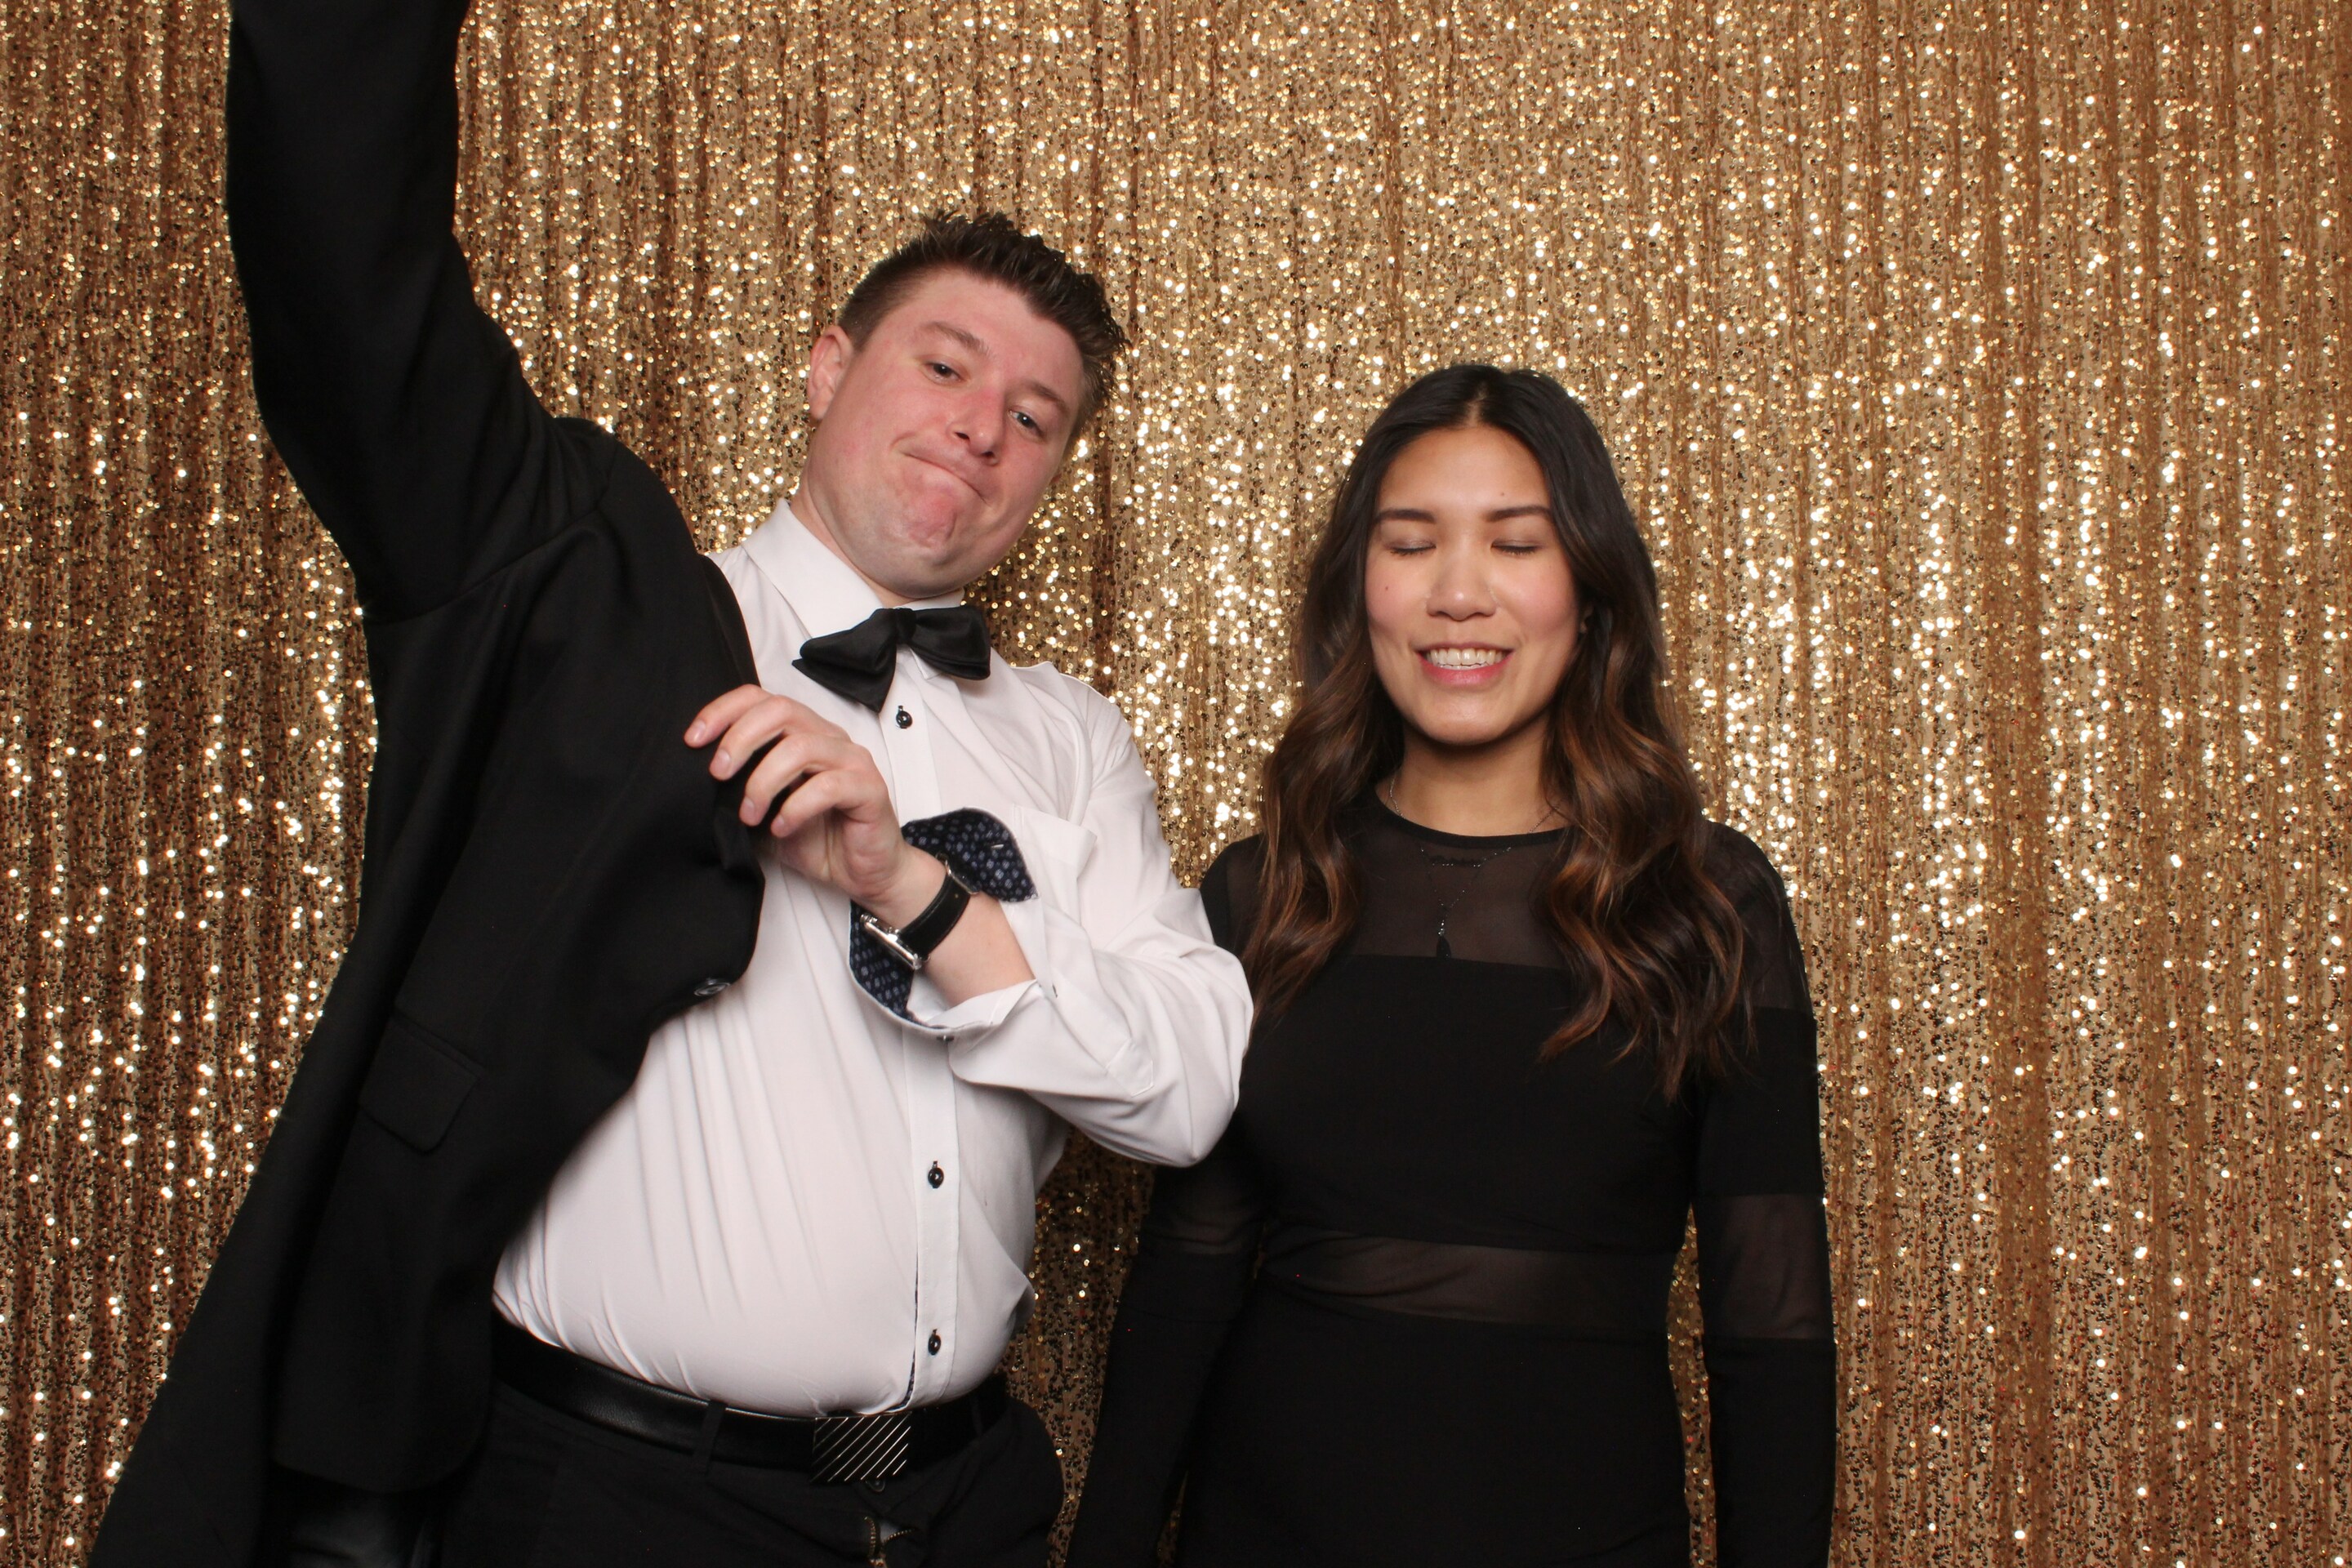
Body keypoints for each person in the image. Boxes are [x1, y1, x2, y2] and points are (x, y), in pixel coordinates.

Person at [91, 0, 1251, 1564]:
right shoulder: (589, 612)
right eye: (944, 364)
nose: (980, 427)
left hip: (966, 1506)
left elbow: (1187, 1093)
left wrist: (910, 884)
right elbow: (358, 294)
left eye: (1033, 418)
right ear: (829, 365)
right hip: (619, 1504)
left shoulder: (1073, 738)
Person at [1067, 364, 1836, 1567]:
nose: (1459, 593)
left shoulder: (1708, 900)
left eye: (1516, 545)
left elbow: (1770, 1324)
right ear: (1358, 585)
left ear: (1590, 589)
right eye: (1412, 543)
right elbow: (1189, 1271)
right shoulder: (1264, 893)